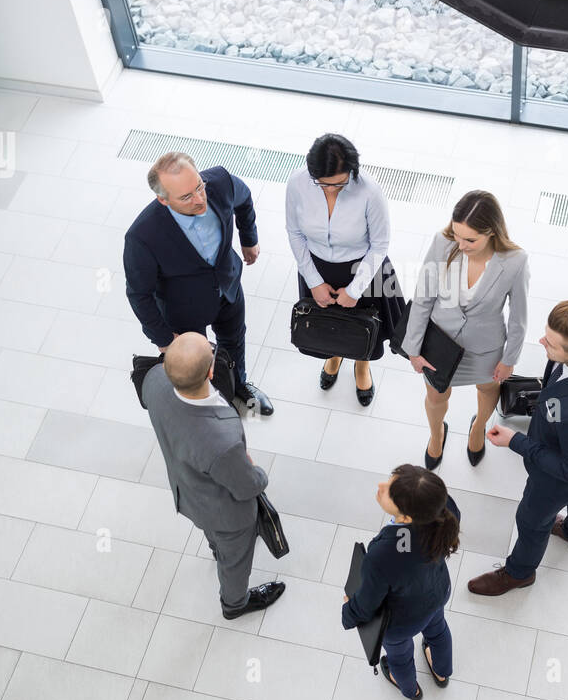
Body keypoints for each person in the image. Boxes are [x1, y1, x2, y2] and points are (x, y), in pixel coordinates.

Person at [468, 300, 568, 596]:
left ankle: (519, 572)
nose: (541, 342)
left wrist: (516, 441)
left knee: (531, 519)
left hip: (563, 471)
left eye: (550, 343)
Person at [142, 333, 285, 619]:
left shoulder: (154, 380)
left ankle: (215, 546)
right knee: (235, 561)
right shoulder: (221, 441)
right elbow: (246, 486)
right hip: (227, 515)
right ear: (211, 371)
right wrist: (259, 473)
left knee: (213, 535)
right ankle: (235, 603)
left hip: (188, 491)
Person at [123, 152, 273, 415]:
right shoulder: (142, 236)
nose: (200, 199)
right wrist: (164, 340)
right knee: (196, 367)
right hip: (183, 311)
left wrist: (249, 238)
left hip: (228, 286)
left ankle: (238, 386)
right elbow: (139, 294)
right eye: (186, 197)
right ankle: (207, 406)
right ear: (163, 199)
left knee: (235, 340)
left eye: (199, 187)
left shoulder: (220, 182)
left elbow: (245, 198)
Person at [400, 190, 529, 469]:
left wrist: (509, 360)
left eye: (470, 239)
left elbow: (519, 317)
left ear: (492, 232)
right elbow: (423, 296)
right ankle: (437, 435)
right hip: (439, 343)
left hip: (485, 349)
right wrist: (413, 348)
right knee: (435, 395)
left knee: (486, 389)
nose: (461, 244)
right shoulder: (442, 242)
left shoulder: (515, 261)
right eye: (458, 236)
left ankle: (478, 427)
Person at [285, 133, 405, 405]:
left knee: (366, 326)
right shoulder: (297, 183)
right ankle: (333, 355)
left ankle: (362, 365)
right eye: (322, 184)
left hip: (363, 269)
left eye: (338, 184)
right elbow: (294, 233)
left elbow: (380, 245)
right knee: (326, 323)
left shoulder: (369, 191)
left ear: (352, 170)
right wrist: (314, 281)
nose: (330, 190)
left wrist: (354, 290)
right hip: (316, 267)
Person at [342, 465, 459, 700]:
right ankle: (442, 671)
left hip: (401, 623)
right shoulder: (443, 507)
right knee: (438, 631)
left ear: (406, 517)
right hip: (437, 593)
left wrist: (349, 611)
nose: (381, 486)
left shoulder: (383, 556)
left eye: (389, 492)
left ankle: (410, 690)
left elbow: (367, 603)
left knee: (399, 656)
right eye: (389, 481)